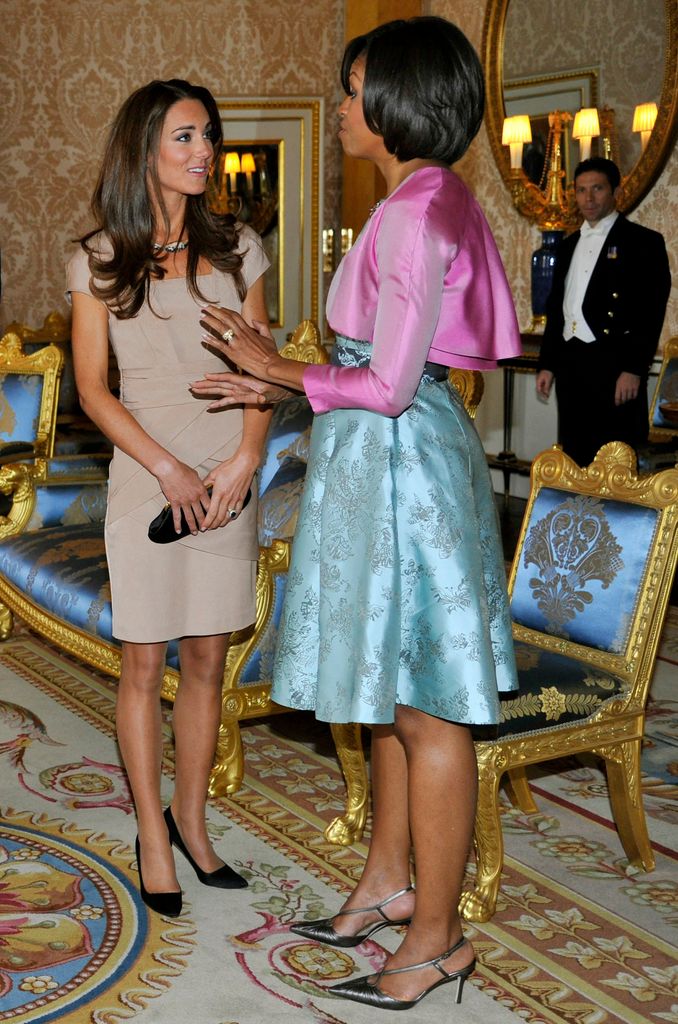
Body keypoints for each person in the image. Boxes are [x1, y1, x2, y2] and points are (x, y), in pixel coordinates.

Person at [193, 17, 521, 1011]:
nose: (340, 106)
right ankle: (386, 881)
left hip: (402, 468)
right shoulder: (424, 196)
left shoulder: (417, 212)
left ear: (398, 102)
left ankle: (438, 937)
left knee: (426, 707)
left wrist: (277, 369)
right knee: (390, 686)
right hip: (391, 460)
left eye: (352, 88)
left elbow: (386, 384)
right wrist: (282, 372)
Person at [67, 79, 272, 917]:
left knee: (208, 660)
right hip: (145, 474)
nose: (204, 151)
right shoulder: (98, 258)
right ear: (145, 146)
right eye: (185, 136)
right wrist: (166, 468)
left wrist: (247, 458)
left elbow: (265, 370)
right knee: (145, 662)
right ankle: (151, 833)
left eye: (208, 136)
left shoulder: (240, 251)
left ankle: (191, 819)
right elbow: (91, 388)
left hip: (225, 481)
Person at [536, 156, 671, 467]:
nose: (589, 198)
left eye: (597, 188)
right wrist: (548, 364)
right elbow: (558, 309)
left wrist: (634, 369)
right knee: (574, 458)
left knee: (615, 460)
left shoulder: (643, 242)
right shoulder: (567, 245)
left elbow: (651, 312)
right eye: (581, 190)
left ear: (616, 192)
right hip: (571, 364)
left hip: (614, 365)